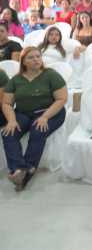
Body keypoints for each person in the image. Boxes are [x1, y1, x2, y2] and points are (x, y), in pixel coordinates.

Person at [1, 47, 67, 191]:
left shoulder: (51, 75)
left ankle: (25, 175)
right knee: (8, 133)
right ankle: (20, 168)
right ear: (23, 61)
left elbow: (61, 99)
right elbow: (6, 103)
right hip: (23, 113)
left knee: (37, 131)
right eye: (31, 57)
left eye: (38, 56)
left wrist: (45, 117)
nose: (36, 60)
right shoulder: (16, 80)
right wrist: (11, 120)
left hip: (50, 112)